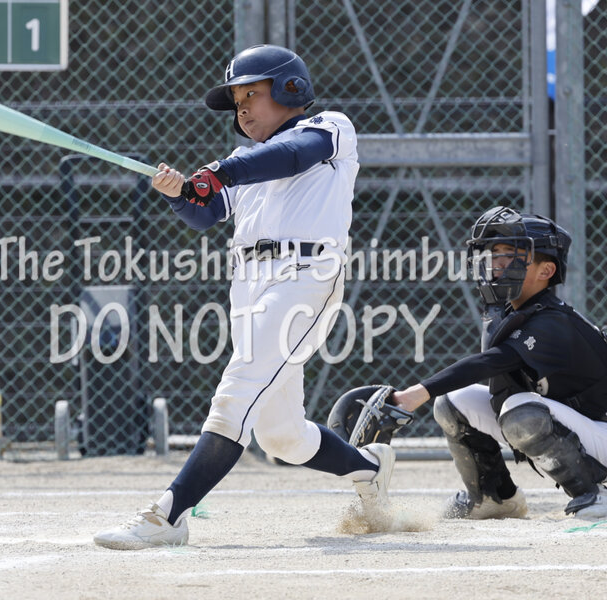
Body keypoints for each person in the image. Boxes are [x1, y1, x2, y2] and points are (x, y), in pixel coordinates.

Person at [94, 44, 394, 550]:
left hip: (306, 275)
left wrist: (218, 175)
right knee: (281, 434)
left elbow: (292, 155)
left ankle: (169, 515)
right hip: (249, 283)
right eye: (237, 102)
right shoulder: (241, 161)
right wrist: (181, 193)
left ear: (290, 89)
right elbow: (206, 213)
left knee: (239, 388)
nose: (242, 110)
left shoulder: (329, 128)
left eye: (251, 94)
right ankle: (369, 468)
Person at [383, 206, 607, 519]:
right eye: (494, 254)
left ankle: (592, 494)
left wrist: (414, 394)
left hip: (605, 437)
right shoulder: (511, 312)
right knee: (452, 403)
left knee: (520, 410)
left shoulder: (553, 321)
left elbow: (491, 362)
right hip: (560, 417)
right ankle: (495, 496)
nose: (497, 263)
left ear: (545, 271)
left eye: (511, 255)